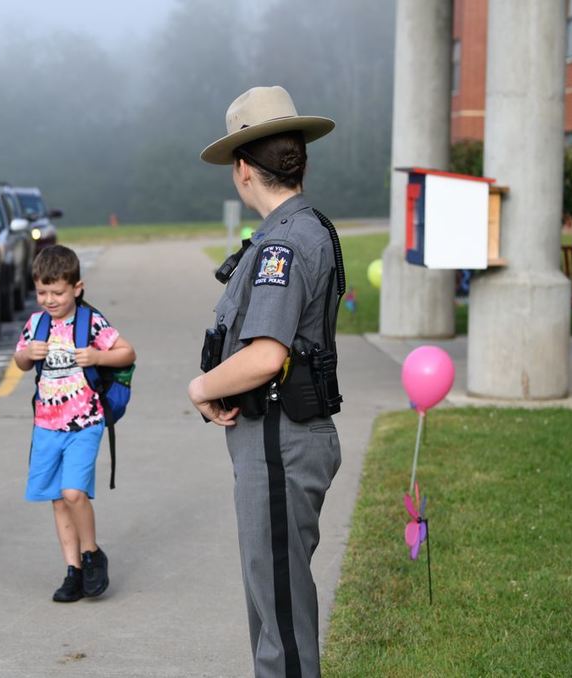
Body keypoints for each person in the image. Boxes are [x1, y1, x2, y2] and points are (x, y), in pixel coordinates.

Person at [187, 86, 344, 677]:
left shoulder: (282, 244)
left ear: (243, 169)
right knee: (274, 603)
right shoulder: (305, 228)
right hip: (282, 436)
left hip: (279, 438)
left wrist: (201, 388)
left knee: (281, 618)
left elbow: (266, 356)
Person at [13, 245, 136, 603]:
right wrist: (27, 354)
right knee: (57, 499)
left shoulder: (90, 322)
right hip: (46, 425)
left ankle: (92, 553)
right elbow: (20, 361)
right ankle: (73, 570)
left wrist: (97, 356)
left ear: (77, 288)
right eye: (42, 292)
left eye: (57, 292)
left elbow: (127, 352)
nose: (49, 300)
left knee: (73, 493)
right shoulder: (36, 324)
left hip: (85, 421)